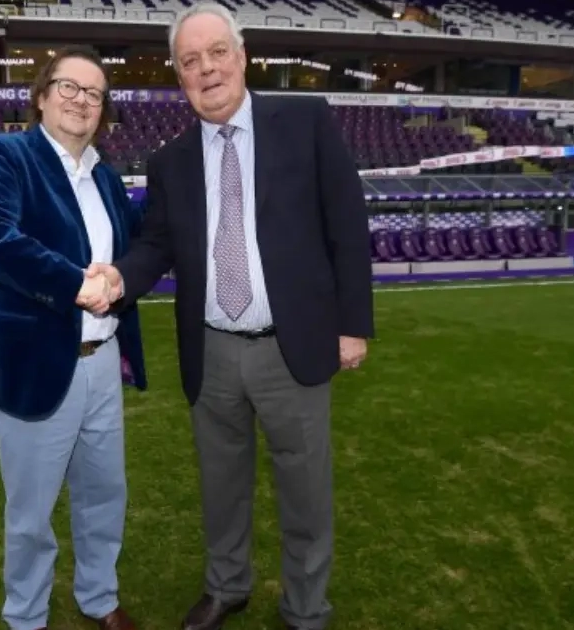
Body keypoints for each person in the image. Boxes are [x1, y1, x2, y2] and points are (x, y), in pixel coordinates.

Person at [86, 4, 375, 630]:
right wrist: (119, 278)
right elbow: (156, 245)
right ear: (179, 76)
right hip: (212, 349)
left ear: (242, 57)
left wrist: (352, 325)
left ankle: (305, 608)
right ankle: (227, 586)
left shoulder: (305, 121)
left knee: (305, 489)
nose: (207, 69)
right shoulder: (170, 161)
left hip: (293, 345)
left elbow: (348, 226)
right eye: (190, 61)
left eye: (217, 52)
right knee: (221, 485)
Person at [0, 45, 147, 630]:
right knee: (31, 514)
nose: (81, 101)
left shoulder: (107, 178)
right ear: (42, 96)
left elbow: (138, 247)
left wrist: (120, 276)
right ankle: (26, 617)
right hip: (33, 363)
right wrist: (75, 284)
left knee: (104, 495)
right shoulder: (8, 154)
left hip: (103, 362)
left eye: (94, 94)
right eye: (69, 87)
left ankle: (99, 596)